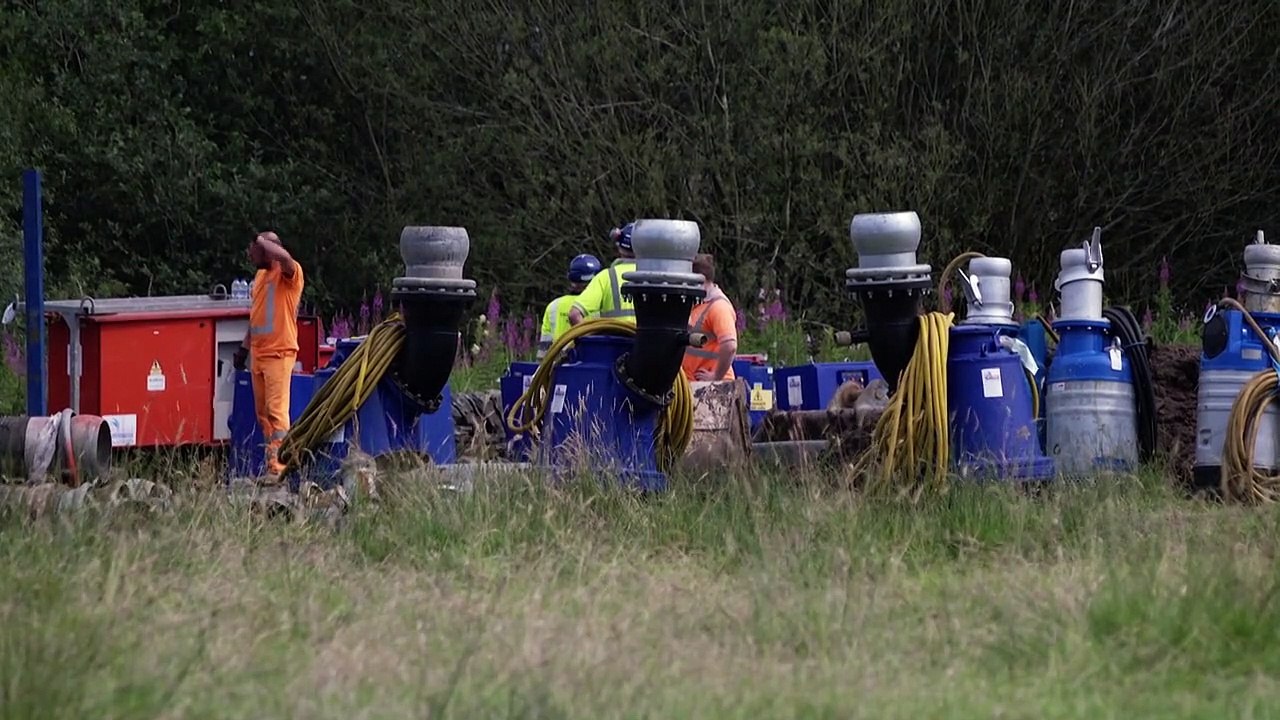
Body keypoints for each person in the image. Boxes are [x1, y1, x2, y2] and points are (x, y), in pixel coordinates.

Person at [232, 231, 304, 481]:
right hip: (260, 355)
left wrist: (263, 241)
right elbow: (257, 317)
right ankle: (272, 463)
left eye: (255, 250)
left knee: (277, 413)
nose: (250, 256)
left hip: (279, 353)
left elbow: (285, 258)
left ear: (268, 249)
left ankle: (280, 468)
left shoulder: (288, 274)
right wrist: (244, 348)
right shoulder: (261, 277)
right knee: (263, 415)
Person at [682, 253, 738, 382]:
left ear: (701, 279)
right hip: (696, 385)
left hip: (713, 389)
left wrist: (716, 377)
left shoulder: (719, 307)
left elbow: (730, 346)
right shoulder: (698, 303)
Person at [568, 222, 637, 326]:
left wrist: (591, 340)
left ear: (619, 247)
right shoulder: (657, 276)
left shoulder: (606, 277)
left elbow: (574, 315)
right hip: (649, 342)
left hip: (614, 341)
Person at [538, 254, 601, 357]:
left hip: (559, 368)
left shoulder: (553, 306)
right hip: (591, 364)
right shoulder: (599, 304)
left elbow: (543, 351)